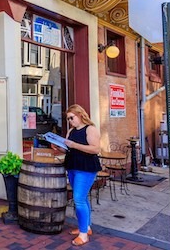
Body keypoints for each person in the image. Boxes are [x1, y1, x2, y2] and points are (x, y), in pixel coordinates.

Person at [50, 104, 101, 246]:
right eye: (68, 119)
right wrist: (57, 147)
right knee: (81, 199)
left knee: (78, 199)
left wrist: (74, 145)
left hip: (86, 168)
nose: (70, 121)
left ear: (80, 115)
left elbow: (95, 149)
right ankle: (86, 227)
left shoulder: (90, 129)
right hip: (72, 166)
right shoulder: (71, 131)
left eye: (71, 118)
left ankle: (83, 235)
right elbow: (68, 149)